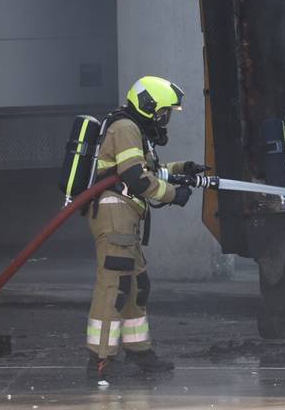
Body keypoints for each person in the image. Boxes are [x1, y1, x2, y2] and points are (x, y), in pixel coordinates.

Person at [86, 76, 205, 380]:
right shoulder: (125, 128)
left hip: (126, 216)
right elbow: (136, 179)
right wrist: (172, 194)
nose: (165, 119)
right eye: (164, 112)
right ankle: (101, 358)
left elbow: (147, 170)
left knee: (137, 286)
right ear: (150, 106)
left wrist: (182, 170)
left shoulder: (133, 129)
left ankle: (139, 352)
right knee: (114, 286)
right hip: (115, 216)